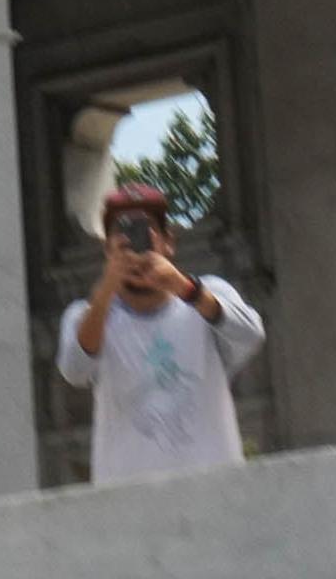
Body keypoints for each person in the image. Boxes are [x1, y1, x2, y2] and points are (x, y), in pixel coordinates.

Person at [54, 181, 265, 482]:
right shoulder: (85, 314)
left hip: (213, 491)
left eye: (145, 229)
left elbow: (251, 335)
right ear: (108, 249)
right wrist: (107, 288)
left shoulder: (208, 293)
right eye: (122, 232)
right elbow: (74, 369)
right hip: (130, 502)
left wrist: (185, 288)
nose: (135, 242)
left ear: (168, 242)